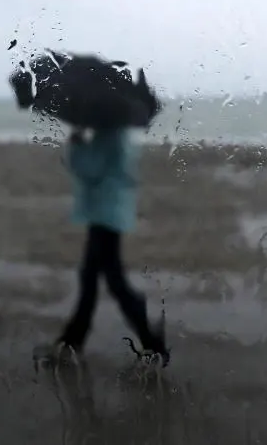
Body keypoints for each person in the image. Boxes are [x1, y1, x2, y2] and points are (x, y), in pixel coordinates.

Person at [51, 126, 169, 366]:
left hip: (105, 215)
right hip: (109, 212)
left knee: (109, 280)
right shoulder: (118, 135)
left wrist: (75, 144)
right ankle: (73, 340)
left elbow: (89, 170)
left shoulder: (108, 137)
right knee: (92, 278)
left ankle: (149, 340)